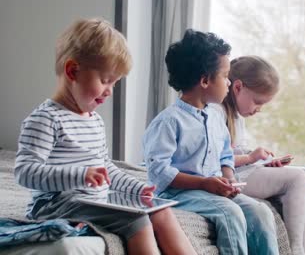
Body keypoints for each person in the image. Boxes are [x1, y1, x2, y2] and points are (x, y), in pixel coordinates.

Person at [14, 18, 196, 255]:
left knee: (160, 211)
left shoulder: (94, 121)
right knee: (136, 221)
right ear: (73, 71)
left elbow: (105, 170)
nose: (110, 91)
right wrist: (80, 175)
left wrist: (137, 189)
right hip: (53, 205)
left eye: (115, 83)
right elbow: (25, 172)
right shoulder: (45, 119)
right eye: (105, 80)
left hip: (91, 201)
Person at [142, 29, 279, 255]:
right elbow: (158, 172)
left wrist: (229, 179)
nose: (228, 83)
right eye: (225, 76)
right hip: (179, 193)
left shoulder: (216, 118)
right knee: (230, 213)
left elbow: (225, 155)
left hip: (212, 190)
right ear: (205, 80)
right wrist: (204, 183)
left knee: (260, 211)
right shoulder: (169, 121)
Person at [215, 55, 305, 255]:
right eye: (257, 101)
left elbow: (239, 151)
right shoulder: (216, 112)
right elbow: (214, 158)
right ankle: (295, 250)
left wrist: (264, 162)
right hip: (230, 176)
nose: (259, 109)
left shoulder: (236, 116)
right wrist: (251, 158)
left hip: (244, 171)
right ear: (237, 88)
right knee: (296, 179)